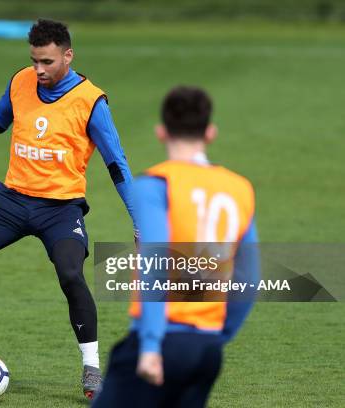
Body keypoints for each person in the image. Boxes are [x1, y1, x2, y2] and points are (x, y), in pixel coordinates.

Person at [0, 19, 137, 399]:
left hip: (60, 209)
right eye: (35, 61)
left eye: (48, 62)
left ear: (68, 56)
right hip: (11, 200)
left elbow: (117, 165)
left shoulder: (91, 102)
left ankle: (91, 370)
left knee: (72, 274)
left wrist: (140, 222)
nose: (39, 70)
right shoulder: (22, 80)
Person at [93, 86, 260, 407]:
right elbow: (249, 279)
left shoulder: (154, 185)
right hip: (207, 349)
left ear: (160, 132)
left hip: (159, 342)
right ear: (210, 133)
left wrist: (152, 346)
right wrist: (217, 337)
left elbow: (155, 264)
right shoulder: (240, 189)